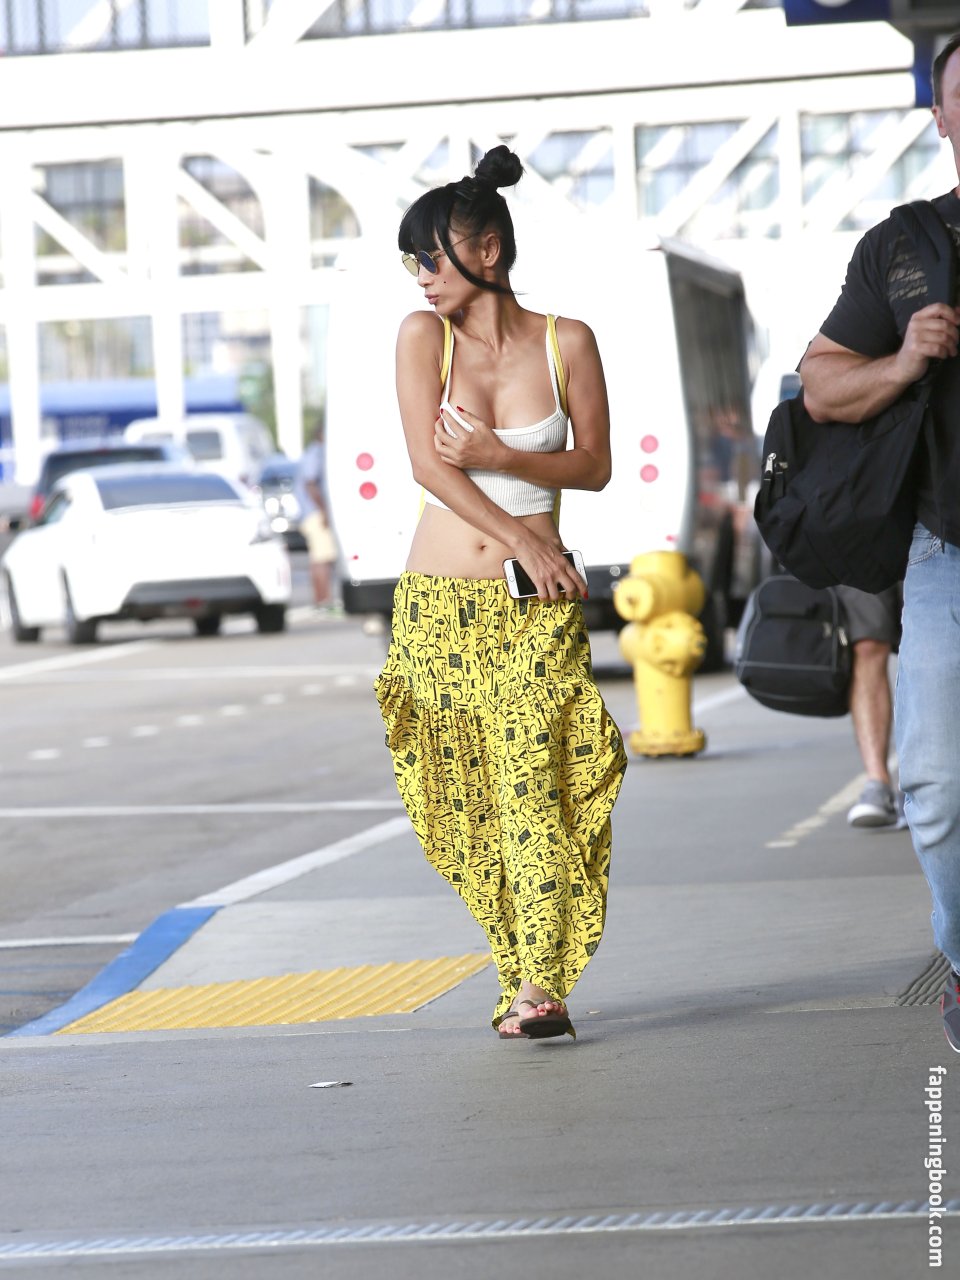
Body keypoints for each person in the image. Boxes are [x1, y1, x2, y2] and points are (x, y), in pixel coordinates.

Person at [374, 145, 627, 1041]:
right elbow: (426, 465)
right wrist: (522, 532)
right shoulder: (422, 338)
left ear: (486, 249)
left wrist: (499, 454)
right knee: (463, 808)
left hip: (533, 611)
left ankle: (541, 988)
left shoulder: (568, 342)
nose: (421, 276)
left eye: (431, 257)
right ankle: (518, 963)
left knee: (535, 790)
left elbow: (593, 465)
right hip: (438, 609)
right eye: (412, 262)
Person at [799, 32, 960, 1052]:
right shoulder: (904, 247)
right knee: (936, 785)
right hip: (946, 552)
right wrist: (903, 360)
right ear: (940, 117)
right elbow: (820, 384)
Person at [835, 584, 905, 829]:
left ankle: (928, 783)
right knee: (867, 644)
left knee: (935, 642)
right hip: (866, 559)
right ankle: (878, 784)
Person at [295, 421, 339, 610]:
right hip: (314, 513)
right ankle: (323, 601)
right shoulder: (316, 453)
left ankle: (323, 600)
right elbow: (310, 483)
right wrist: (324, 511)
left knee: (322, 557)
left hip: (312, 512)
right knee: (322, 558)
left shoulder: (314, 452)